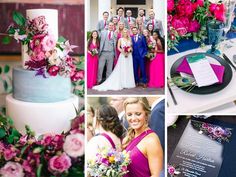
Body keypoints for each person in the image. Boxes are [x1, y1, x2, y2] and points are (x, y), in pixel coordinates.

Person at [123, 97, 163, 177]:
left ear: (146, 114)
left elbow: (156, 175)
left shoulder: (151, 140)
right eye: (129, 114)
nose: (133, 119)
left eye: (138, 114)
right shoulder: (128, 138)